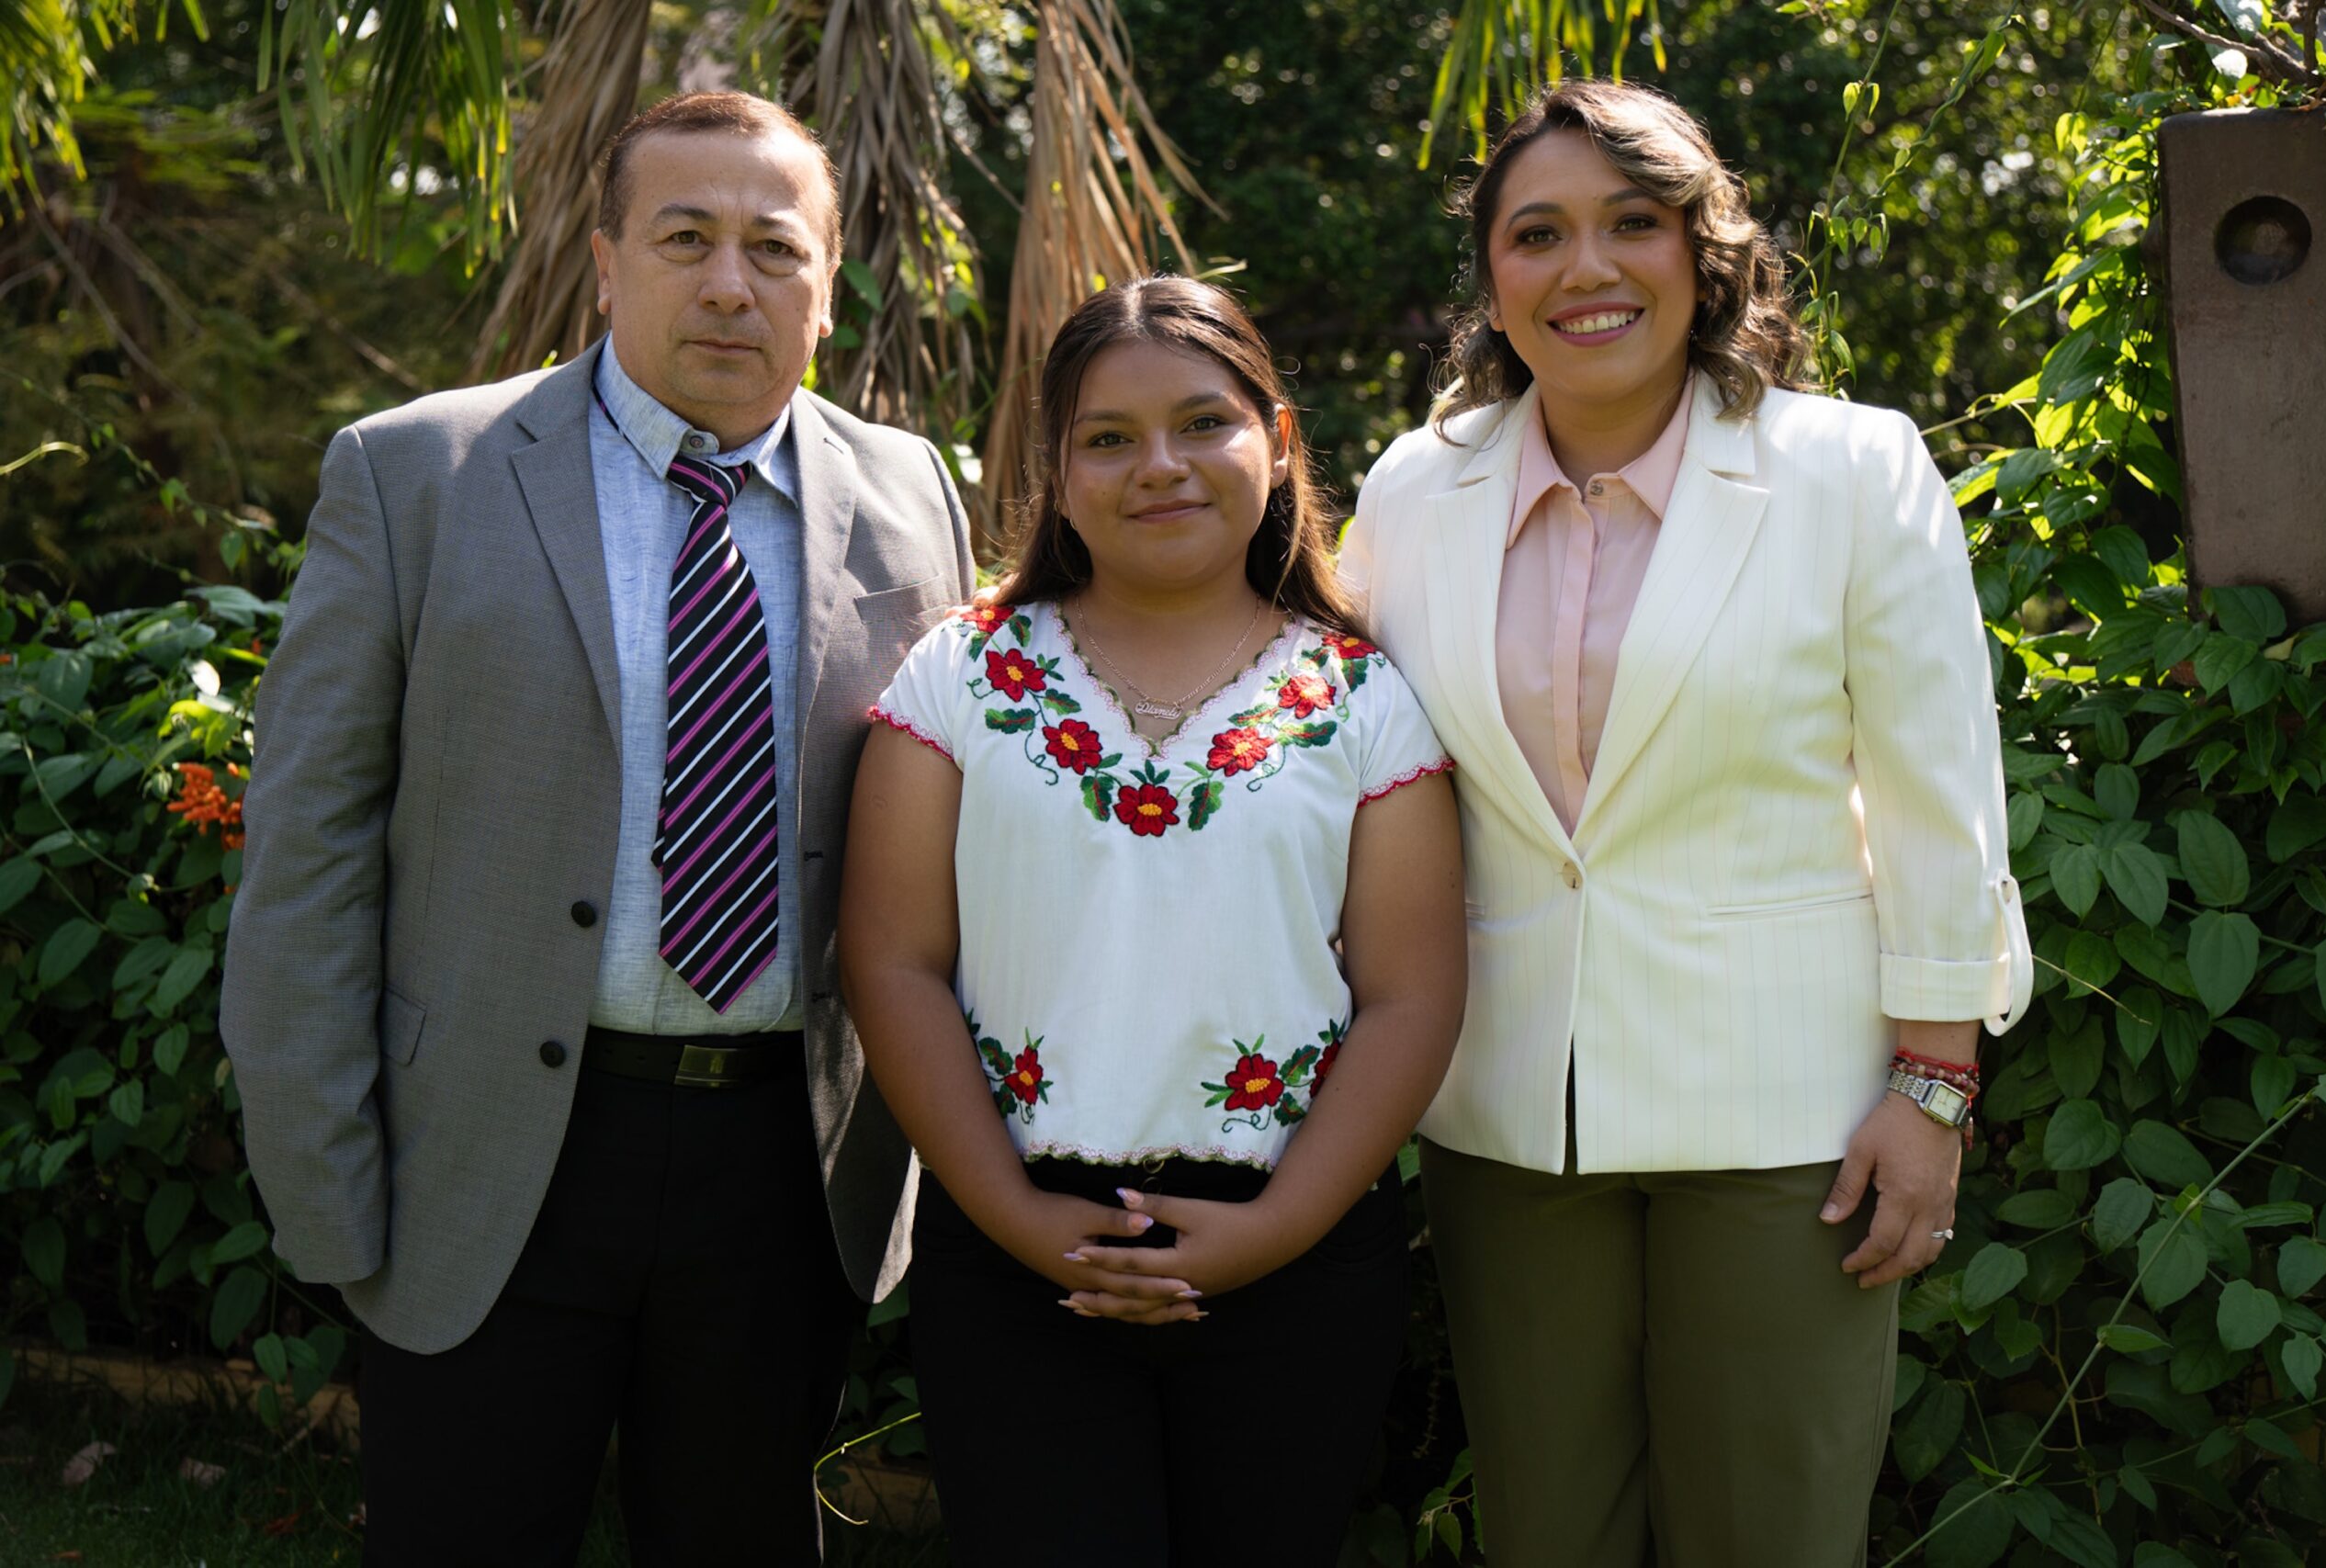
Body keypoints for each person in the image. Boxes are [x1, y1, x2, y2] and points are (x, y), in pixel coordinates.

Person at [220, 90, 973, 1566]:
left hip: (786, 1168)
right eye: (684, 237)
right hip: (487, 1156)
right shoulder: (415, 474)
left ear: (827, 283)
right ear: (606, 258)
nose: (728, 281)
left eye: (774, 247)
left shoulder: (910, 494)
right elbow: (308, 855)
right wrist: (323, 1173)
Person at [1339, 79, 2032, 1566]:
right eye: (1538, 234)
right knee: (1548, 1536)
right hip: (1508, 1113)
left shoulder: (1851, 469)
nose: (1586, 269)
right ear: (1495, 277)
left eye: (1630, 224)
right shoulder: (1412, 486)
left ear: (1703, 249)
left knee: (1770, 1537)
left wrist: (1936, 1090)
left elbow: (1938, 798)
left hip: (1790, 1119)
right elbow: (1333, 763)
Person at [839, 276, 1467, 1567]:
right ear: (1055, 472)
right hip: (1016, 1255)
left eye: (1203, 425)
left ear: (1277, 445)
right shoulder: (958, 677)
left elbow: (1414, 994)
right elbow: (891, 962)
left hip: (1293, 1254)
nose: (1159, 467)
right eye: (1108, 438)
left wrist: (1276, 1231)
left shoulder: (1364, 698)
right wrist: (1023, 1223)